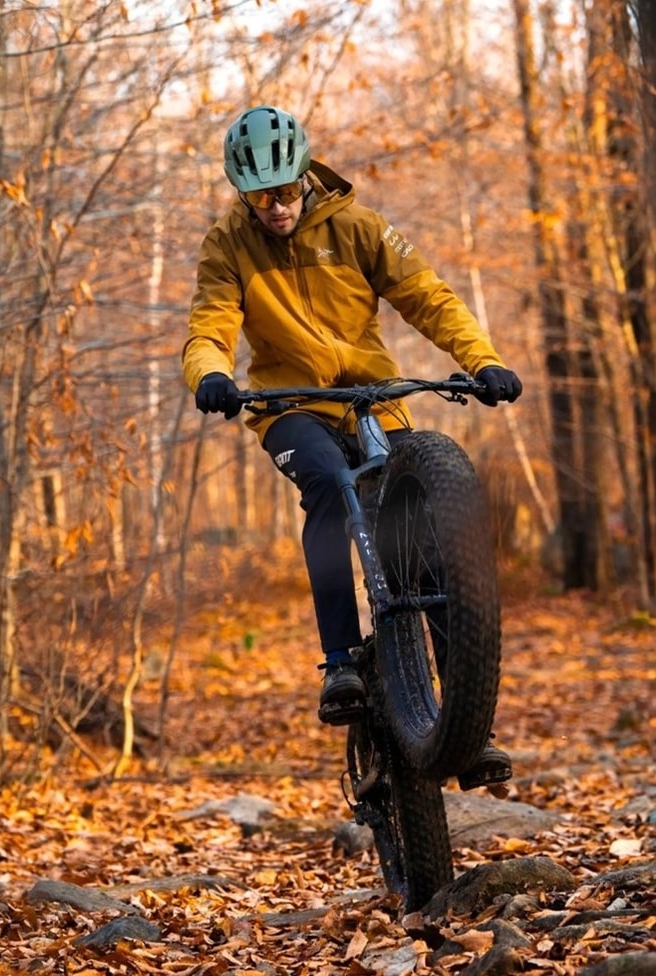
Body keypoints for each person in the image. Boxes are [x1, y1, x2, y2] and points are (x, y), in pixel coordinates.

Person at [181, 105, 516, 788]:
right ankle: (338, 660)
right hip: (290, 407)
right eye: (260, 196)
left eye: (285, 189)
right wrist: (209, 374)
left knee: (426, 546)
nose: (276, 207)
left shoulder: (358, 227)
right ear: (242, 193)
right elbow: (210, 323)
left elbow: (427, 296)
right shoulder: (227, 245)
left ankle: (468, 724)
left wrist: (482, 360)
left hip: (374, 398)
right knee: (331, 484)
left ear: (306, 175)